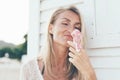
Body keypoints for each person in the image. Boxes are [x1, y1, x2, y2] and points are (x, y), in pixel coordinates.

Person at [20, 6, 97, 80]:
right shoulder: (29, 69)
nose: (71, 30)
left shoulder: (80, 70)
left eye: (77, 27)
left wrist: (89, 73)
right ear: (51, 29)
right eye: (65, 23)